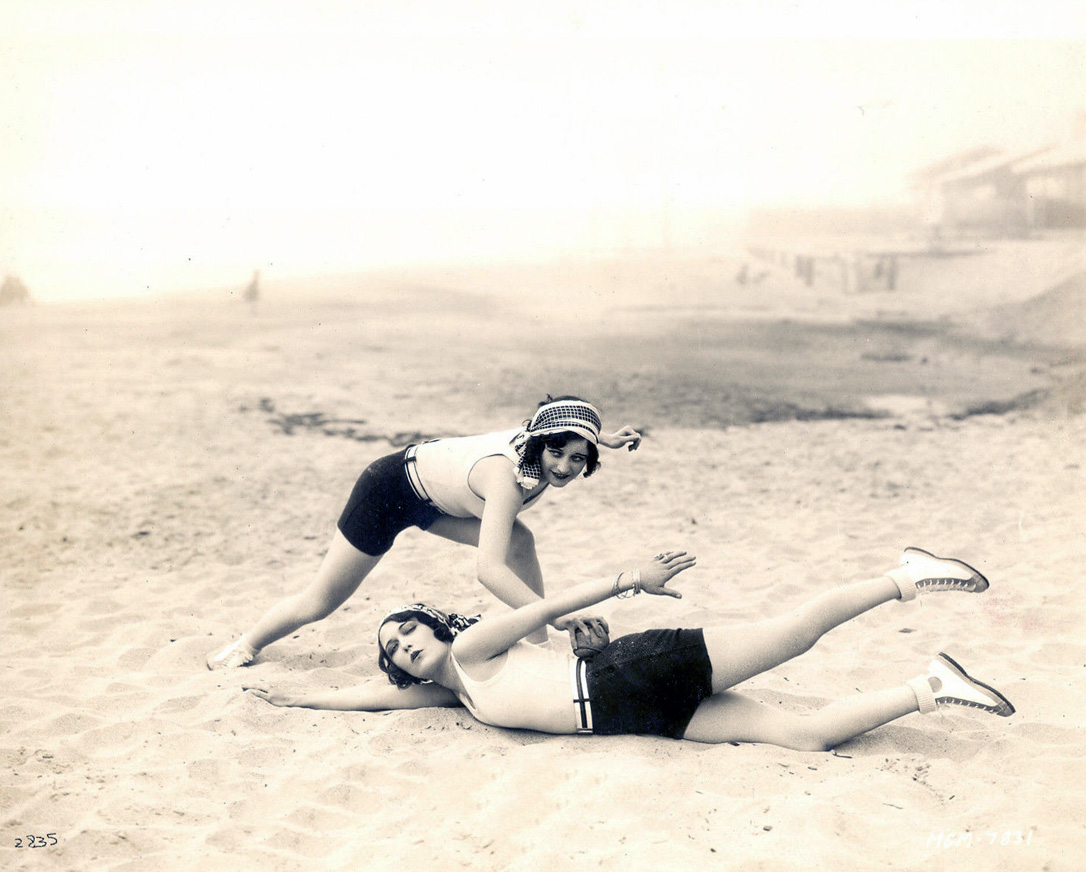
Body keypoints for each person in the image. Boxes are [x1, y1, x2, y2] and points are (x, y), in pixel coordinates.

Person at [247, 547, 1015, 749]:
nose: (406, 647)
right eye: (395, 647)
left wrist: (626, 581)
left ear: (437, 626)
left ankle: (907, 577)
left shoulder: (475, 647)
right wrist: (289, 696)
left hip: (633, 668)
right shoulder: (452, 689)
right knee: (804, 738)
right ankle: (931, 684)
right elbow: (362, 697)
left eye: (410, 627)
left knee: (793, 635)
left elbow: (547, 604)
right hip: (635, 718)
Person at [208, 395, 642, 669]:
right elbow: (488, 571)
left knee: (520, 542)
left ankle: (541, 650)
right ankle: (247, 644)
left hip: (432, 499)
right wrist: (559, 613)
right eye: (557, 453)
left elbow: (564, 425)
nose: (564, 468)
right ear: (538, 441)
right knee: (319, 602)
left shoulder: (547, 443)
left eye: (579, 458)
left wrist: (601, 438)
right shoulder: (506, 480)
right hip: (386, 491)